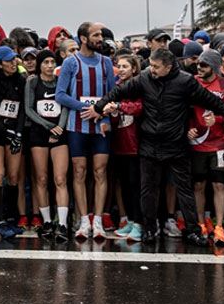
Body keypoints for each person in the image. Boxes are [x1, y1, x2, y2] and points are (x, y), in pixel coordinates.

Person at [95, 48, 224, 247]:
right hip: (149, 143)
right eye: (151, 65)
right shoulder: (144, 78)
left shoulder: (185, 81)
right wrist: (98, 106)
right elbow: (118, 91)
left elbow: (209, 99)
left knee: (184, 189)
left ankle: (193, 231)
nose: (151, 69)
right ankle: (150, 229)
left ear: (169, 67)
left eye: (156, 67)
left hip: (175, 143)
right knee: (148, 190)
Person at [55, 22, 116, 240]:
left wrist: (103, 113)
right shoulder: (71, 63)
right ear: (83, 38)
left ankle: (98, 220)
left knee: (100, 172)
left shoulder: (106, 62)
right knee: (79, 172)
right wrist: (88, 108)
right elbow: (60, 95)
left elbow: (112, 93)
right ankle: (83, 220)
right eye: (96, 35)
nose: (101, 39)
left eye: (101, 35)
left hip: (101, 125)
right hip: (77, 126)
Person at [188, 49, 224, 247]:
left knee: (219, 185)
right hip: (198, 142)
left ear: (214, 67)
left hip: (219, 142)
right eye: (199, 64)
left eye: (204, 65)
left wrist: (219, 119)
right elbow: (185, 111)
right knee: (198, 185)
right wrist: (187, 129)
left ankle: (219, 225)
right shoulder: (192, 83)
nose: (200, 68)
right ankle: (200, 223)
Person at [0, 45, 27, 239]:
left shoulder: (21, 80)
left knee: (14, 176)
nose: (13, 63)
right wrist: (4, 130)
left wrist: (17, 134)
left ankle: (10, 218)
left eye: (14, 59)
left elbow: (23, 108)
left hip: (13, 131)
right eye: (8, 61)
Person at [26, 49, 70, 241]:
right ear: (40, 65)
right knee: (42, 179)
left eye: (53, 62)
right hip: (39, 133)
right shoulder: (33, 83)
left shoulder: (61, 82)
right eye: (46, 62)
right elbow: (29, 109)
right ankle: (46, 222)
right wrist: (47, 126)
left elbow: (66, 106)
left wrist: (59, 128)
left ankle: (62, 223)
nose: (50, 66)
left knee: (60, 179)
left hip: (59, 135)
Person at [109, 54, 144, 241]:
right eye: (119, 66)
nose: (121, 69)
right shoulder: (116, 88)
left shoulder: (139, 87)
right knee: (124, 186)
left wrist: (119, 106)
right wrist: (113, 111)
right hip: (119, 144)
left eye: (125, 66)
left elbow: (138, 108)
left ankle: (139, 223)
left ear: (134, 69)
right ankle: (130, 220)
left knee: (135, 185)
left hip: (135, 145)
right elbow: (114, 118)